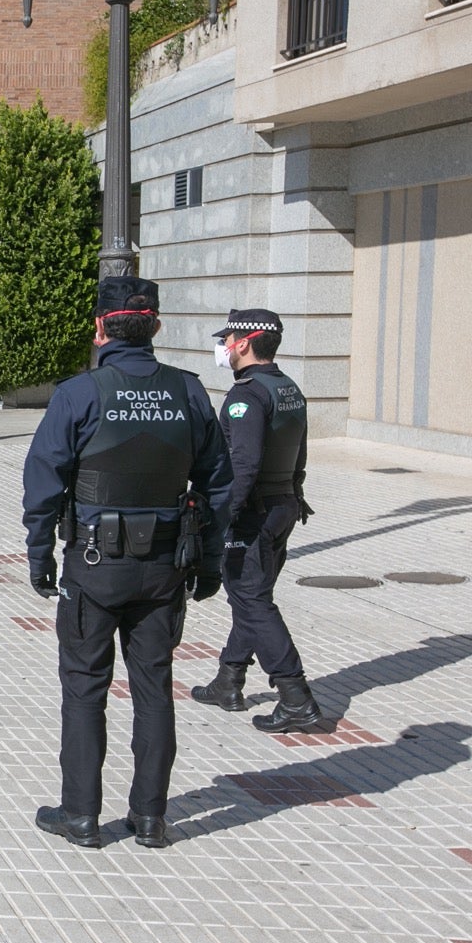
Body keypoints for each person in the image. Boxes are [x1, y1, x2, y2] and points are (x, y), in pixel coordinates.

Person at [21, 276, 232, 850]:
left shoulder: (80, 393)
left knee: (85, 688)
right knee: (154, 688)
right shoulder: (188, 392)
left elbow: (43, 481)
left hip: (94, 566)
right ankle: (151, 818)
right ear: (155, 326)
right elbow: (218, 484)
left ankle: (81, 816)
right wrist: (210, 563)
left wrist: (40, 554)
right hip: (164, 567)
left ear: (100, 328)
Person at [191, 309, 326, 732]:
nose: (224, 347)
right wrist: (294, 494)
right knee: (251, 597)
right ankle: (229, 680)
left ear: (244, 343)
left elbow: (244, 466)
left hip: (253, 512)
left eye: (228, 339)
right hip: (282, 505)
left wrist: (222, 518)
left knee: (252, 600)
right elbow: (300, 452)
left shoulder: (246, 396)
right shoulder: (288, 388)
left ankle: (295, 696)